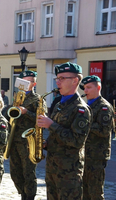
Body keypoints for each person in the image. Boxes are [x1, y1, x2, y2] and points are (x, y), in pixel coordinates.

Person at [37, 62, 92, 200]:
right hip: (52, 169)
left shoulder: (81, 109)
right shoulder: (59, 105)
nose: (57, 82)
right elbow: (57, 135)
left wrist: (51, 125)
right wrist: (45, 143)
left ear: (75, 81)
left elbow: (76, 141)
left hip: (69, 173)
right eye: (57, 78)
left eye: (62, 78)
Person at [9, 70, 45, 200]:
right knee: (15, 172)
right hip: (15, 140)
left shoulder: (38, 99)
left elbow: (42, 119)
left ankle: (29, 197)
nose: (24, 83)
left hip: (29, 142)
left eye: (28, 81)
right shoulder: (18, 97)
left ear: (34, 83)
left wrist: (26, 112)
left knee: (28, 173)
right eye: (23, 80)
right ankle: (22, 193)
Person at [80, 75, 115, 200]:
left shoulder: (104, 107)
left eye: (89, 87)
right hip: (85, 153)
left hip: (96, 155)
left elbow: (104, 131)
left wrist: (85, 123)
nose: (86, 91)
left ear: (98, 87)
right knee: (83, 191)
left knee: (95, 192)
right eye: (84, 88)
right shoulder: (86, 105)